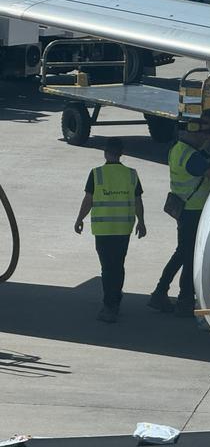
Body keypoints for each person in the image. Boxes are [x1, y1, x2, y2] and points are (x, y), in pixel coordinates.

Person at [149, 109, 210, 317]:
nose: (205, 140)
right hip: (193, 211)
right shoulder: (192, 158)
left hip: (185, 208)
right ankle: (176, 297)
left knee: (183, 253)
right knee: (186, 255)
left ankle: (164, 293)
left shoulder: (179, 149)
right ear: (194, 134)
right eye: (203, 136)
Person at [74, 137, 146, 323]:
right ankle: (115, 299)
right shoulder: (131, 174)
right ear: (121, 153)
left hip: (103, 229)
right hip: (124, 229)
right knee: (118, 265)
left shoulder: (96, 174)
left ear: (105, 152)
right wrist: (142, 222)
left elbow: (88, 200)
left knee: (107, 268)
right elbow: (138, 201)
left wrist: (79, 219)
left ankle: (109, 305)